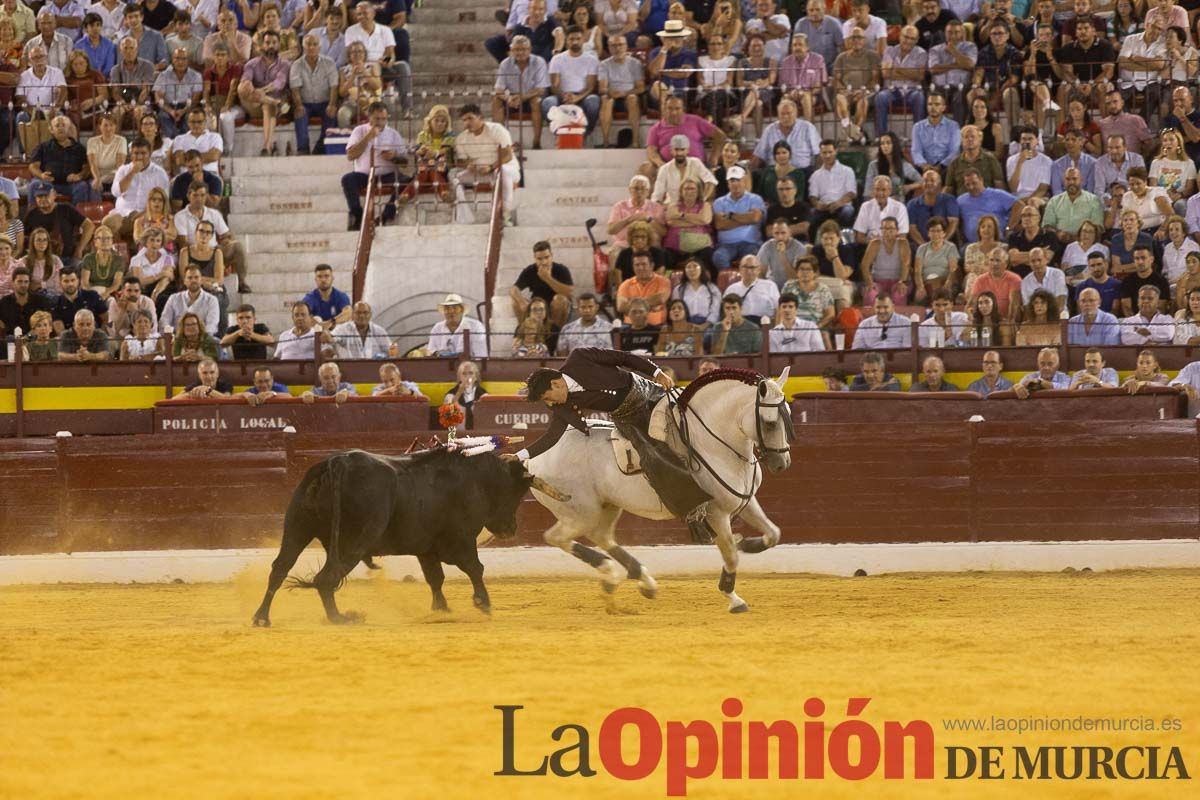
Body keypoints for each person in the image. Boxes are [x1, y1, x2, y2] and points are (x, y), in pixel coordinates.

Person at [511, 347, 718, 544]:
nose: (550, 404)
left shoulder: (580, 358)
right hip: (628, 418)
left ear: (556, 384)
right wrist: (520, 456)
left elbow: (624, 358)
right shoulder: (562, 406)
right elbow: (552, 437)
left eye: (548, 398)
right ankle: (694, 514)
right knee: (651, 455)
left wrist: (656, 373)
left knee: (698, 413)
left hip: (648, 392)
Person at [453, 103, 521, 226]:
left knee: (502, 172)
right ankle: (465, 217)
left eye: (470, 118)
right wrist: (469, 166)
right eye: (464, 120)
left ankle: (505, 214)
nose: (467, 123)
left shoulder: (496, 129)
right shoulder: (461, 138)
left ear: (480, 117)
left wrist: (490, 167)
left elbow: (507, 155)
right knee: (455, 178)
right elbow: (463, 160)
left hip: (505, 169)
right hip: (481, 172)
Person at [340, 101, 405, 231]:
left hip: (387, 175)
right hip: (364, 175)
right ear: (369, 117)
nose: (380, 122)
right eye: (377, 119)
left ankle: (386, 215)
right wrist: (367, 137)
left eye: (383, 119)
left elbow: (405, 161)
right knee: (347, 179)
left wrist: (394, 157)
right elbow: (350, 156)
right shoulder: (359, 131)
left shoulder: (393, 134)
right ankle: (357, 214)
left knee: (406, 181)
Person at [104, 138, 170, 242]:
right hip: (124, 214)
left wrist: (145, 213)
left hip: (148, 215)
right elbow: (116, 192)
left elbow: (164, 201)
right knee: (107, 222)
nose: (139, 157)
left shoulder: (159, 173)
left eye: (143, 153)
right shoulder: (123, 170)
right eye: (136, 153)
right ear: (131, 154)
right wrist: (131, 173)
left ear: (150, 153)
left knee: (144, 225)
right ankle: (119, 252)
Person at [874, 25, 927, 136]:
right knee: (880, 97)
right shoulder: (889, 50)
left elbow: (919, 76)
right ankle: (881, 138)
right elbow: (885, 73)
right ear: (900, 36)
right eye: (906, 37)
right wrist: (910, 73)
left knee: (919, 97)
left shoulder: (921, 53)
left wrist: (895, 68)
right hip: (891, 91)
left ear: (917, 40)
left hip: (912, 91)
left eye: (912, 39)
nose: (908, 41)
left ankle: (919, 138)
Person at [28, 115, 91, 206]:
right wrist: (41, 175)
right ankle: (34, 217)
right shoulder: (43, 147)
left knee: (82, 186)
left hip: (71, 184)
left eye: (64, 125)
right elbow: (33, 166)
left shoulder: (79, 148)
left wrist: (79, 176)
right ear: (51, 130)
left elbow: (87, 168)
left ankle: (77, 218)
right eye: (57, 126)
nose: (61, 128)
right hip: (48, 182)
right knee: (35, 184)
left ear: (68, 129)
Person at [512, 241, 573, 327]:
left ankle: (554, 334)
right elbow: (514, 289)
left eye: (547, 257)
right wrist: (522, 303)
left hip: (557, 309)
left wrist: (547, 278)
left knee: (560, 299)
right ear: (535, 258)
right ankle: (525, 332)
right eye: (539, 259)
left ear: (551, 255)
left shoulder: (561, 269)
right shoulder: (530, 270)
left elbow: (569, 292)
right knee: (515, 302)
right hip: (538, 306)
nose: (544, 262)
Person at [860, 217, 911, 306]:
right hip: (878, 280)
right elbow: (865, 265)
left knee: (899, 294)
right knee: (870, 294)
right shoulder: (875, 243)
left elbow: (905, 264)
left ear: (897, 230)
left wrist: (901, 281)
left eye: (890, 229)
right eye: (884, 228)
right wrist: (869, 282)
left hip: (898, 280)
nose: (887, 231)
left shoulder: (903, 243)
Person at [808, 139, 858, 229]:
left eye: (830, 152)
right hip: (824, 207)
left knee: (848, 211)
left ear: (836, 151)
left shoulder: (847, 171)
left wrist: (838, 203)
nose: (827, 156)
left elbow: (851, 193)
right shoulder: (815, 175)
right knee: (811, 213)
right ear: (820, 153)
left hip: (842, 205)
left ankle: (843, 240)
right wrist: (818, 205)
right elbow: (813, 197)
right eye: (824, 152)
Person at [910, 92, 960, 174]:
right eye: (930, 104)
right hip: (924, 166)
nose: (933, 107)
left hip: (945, 167)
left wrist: (941, 166)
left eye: (937, 104)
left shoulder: (953, 126)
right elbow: (916, 151)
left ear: (943, 108)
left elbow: (954, 151)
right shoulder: (918, 127)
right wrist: (924, 165)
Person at [616, 250, 671, 325]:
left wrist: (632, 303)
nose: (640, 268)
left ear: (652, 265)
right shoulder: (625, 284)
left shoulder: (663, 281)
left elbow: (661, 299)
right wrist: (651, 306)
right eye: (637, 265)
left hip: (657, 327)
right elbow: (621, 306)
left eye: (644, 264)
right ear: (633, 267)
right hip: (631, 327)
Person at [426, 293, 488, 357]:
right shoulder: (437, 328)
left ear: (462, 310)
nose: (451, 311)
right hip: (442, 365)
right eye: (447, 309)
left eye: (455, 308)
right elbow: (431, 351)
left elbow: (480, 355)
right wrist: (438, 353)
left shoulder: (475, 326)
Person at [723, 254, 780, 324]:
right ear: (740, 269)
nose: (749, 271)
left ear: (759, 269)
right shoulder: (731, 289)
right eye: (745, 267)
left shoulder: (770, 285)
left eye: (752, 267)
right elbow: (725, 311)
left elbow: (779, 309)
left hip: (765, 325)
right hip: (740, 326)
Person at [853, 177, 910, 245]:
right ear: (873, 190)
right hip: (870, 245)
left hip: (893, 247)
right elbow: (859, 238)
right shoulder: (865, 206)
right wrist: (874, 243)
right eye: (877, 189)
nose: (880, 193)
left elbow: (902, 237)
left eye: (883, 190)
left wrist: (883, 243)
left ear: (890, 191)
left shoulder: (900, 208)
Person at [0, 267, 51, 338]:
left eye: (26, 282)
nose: (23, 285)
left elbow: (46, 324)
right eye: (20, 281)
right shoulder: (4, 302)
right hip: (11, 341)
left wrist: (27, 337)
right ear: (13, 283)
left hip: (35, 341)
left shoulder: (40, 300)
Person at [443, 360, 486, 429]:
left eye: (471, 373)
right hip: (455, 435)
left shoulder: (484, 395)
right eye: (464, 374)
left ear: (476, 377)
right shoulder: (450, 395)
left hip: (478, 436)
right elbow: (448, 416)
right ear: (459, 377)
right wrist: (459, 392)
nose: (468, 376)